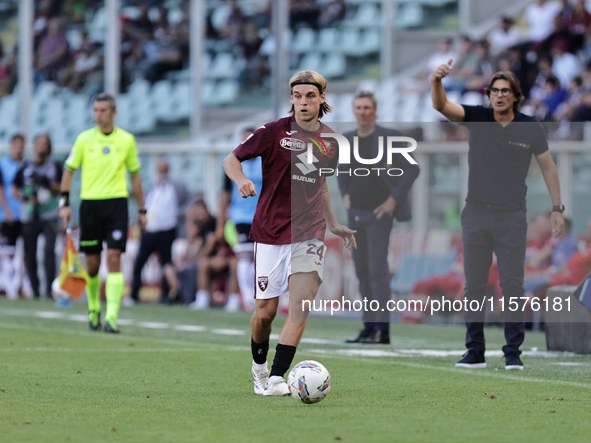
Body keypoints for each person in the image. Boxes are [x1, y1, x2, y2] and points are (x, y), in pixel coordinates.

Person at [222, 70, 356, 396]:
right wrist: (240, 180)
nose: (303, 102)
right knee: (265, 314)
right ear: (292, 99)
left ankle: (277, 379)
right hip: (269, 231)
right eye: (298, 96)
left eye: (310, 96)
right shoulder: (272, 132)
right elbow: (231, 159)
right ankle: (260, 369)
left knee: (300, 306)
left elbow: (320, 185)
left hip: (309, 232)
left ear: (322, 98)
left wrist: (334, 223)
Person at [431, 61, 565, 370]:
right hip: (475, 213)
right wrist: (437, 81)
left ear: (516, 97)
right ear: (488, 95)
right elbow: (442, 106)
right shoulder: (477, 117)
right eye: (494, 91)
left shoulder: (530, 126)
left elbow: (548, 166)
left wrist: (557, 209)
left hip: (511, 216)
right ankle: (475, 350)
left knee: (513, 285)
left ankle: (512, 353)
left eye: (506, 91)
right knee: (474, 285)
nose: (500, 96)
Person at [59, 93, 146, 333]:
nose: (98, 114)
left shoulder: (126, 140)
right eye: (96, 110)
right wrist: (64, 203)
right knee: (93, 264)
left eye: (103, 110)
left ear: (113, 113)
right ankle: (94, 308)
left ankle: (111, 317)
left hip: (117, 204)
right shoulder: (84, 139)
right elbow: (68, 170)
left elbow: (135, 176)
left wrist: (142, 209)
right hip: (90, 205)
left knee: (115, 257)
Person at [340, 90, 420, 344]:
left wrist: (392, 199)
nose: (363, 112)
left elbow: (412, 168)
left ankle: (382, 330)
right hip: (355, 216)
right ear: (354, 111)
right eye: (358, 108)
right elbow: (341, 171)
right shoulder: (347, 140)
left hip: (379, 214)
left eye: (367, 107)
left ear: (375, 111)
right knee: (362, 271)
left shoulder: (390, 137)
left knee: (377, 271)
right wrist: (344, 195)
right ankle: (368, 326)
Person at [129, 157, 189, 304]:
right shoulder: (151, 186)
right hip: (149, 231)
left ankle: (166, 295)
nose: (162, 172)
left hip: (167, 231)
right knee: (140, 263)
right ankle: (133, 295)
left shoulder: (177, 187)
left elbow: (188, 203)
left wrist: (178, 214)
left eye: (164, 169)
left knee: (166, 265)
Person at [215, 127, 261, 312]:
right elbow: (224, 194)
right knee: (244, 256)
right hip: (240, 217)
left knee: (259, 258)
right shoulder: (233, 163)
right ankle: (248, 299)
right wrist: (220, 223)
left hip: (262, 216)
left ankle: (259, 296)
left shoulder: (265, 162)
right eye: (245, 139)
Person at [12, 133, 62, 299]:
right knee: (30, 253)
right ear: (34, 146)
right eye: (39, 143)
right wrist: (27, 197)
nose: (42, 147)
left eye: (45, 144)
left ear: (49, 147)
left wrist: (46, 183)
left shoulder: (55, 166)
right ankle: (35, 289)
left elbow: (62, 188)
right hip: (30, 216)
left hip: (50, 215)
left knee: (49, 251)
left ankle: (48, 291)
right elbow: (14, 191)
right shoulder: (25, 167)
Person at [0, 134, 25, 299]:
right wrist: (6, 211)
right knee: (7, 251)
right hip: (7, 215)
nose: (18, 147)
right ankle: (8, 286)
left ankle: (22, 286)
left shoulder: (26, 165)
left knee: (24, 253)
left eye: (21, 144)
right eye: (15, 144)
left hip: (26, 214)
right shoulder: (3, 164)